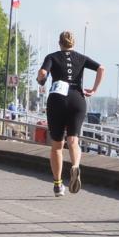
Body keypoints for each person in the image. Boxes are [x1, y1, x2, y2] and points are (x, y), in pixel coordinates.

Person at [36, 31, 104, 197]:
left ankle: (58, 185)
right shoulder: (81, 58)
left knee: (57, 145)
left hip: (57, 99)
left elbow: (43, 74)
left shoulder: (51, 57)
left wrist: (41, 80)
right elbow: (101, 68)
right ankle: (75, 166)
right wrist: (94, 89)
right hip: (76, 98)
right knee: (73, 140)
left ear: (59, 43)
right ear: (73, 43)